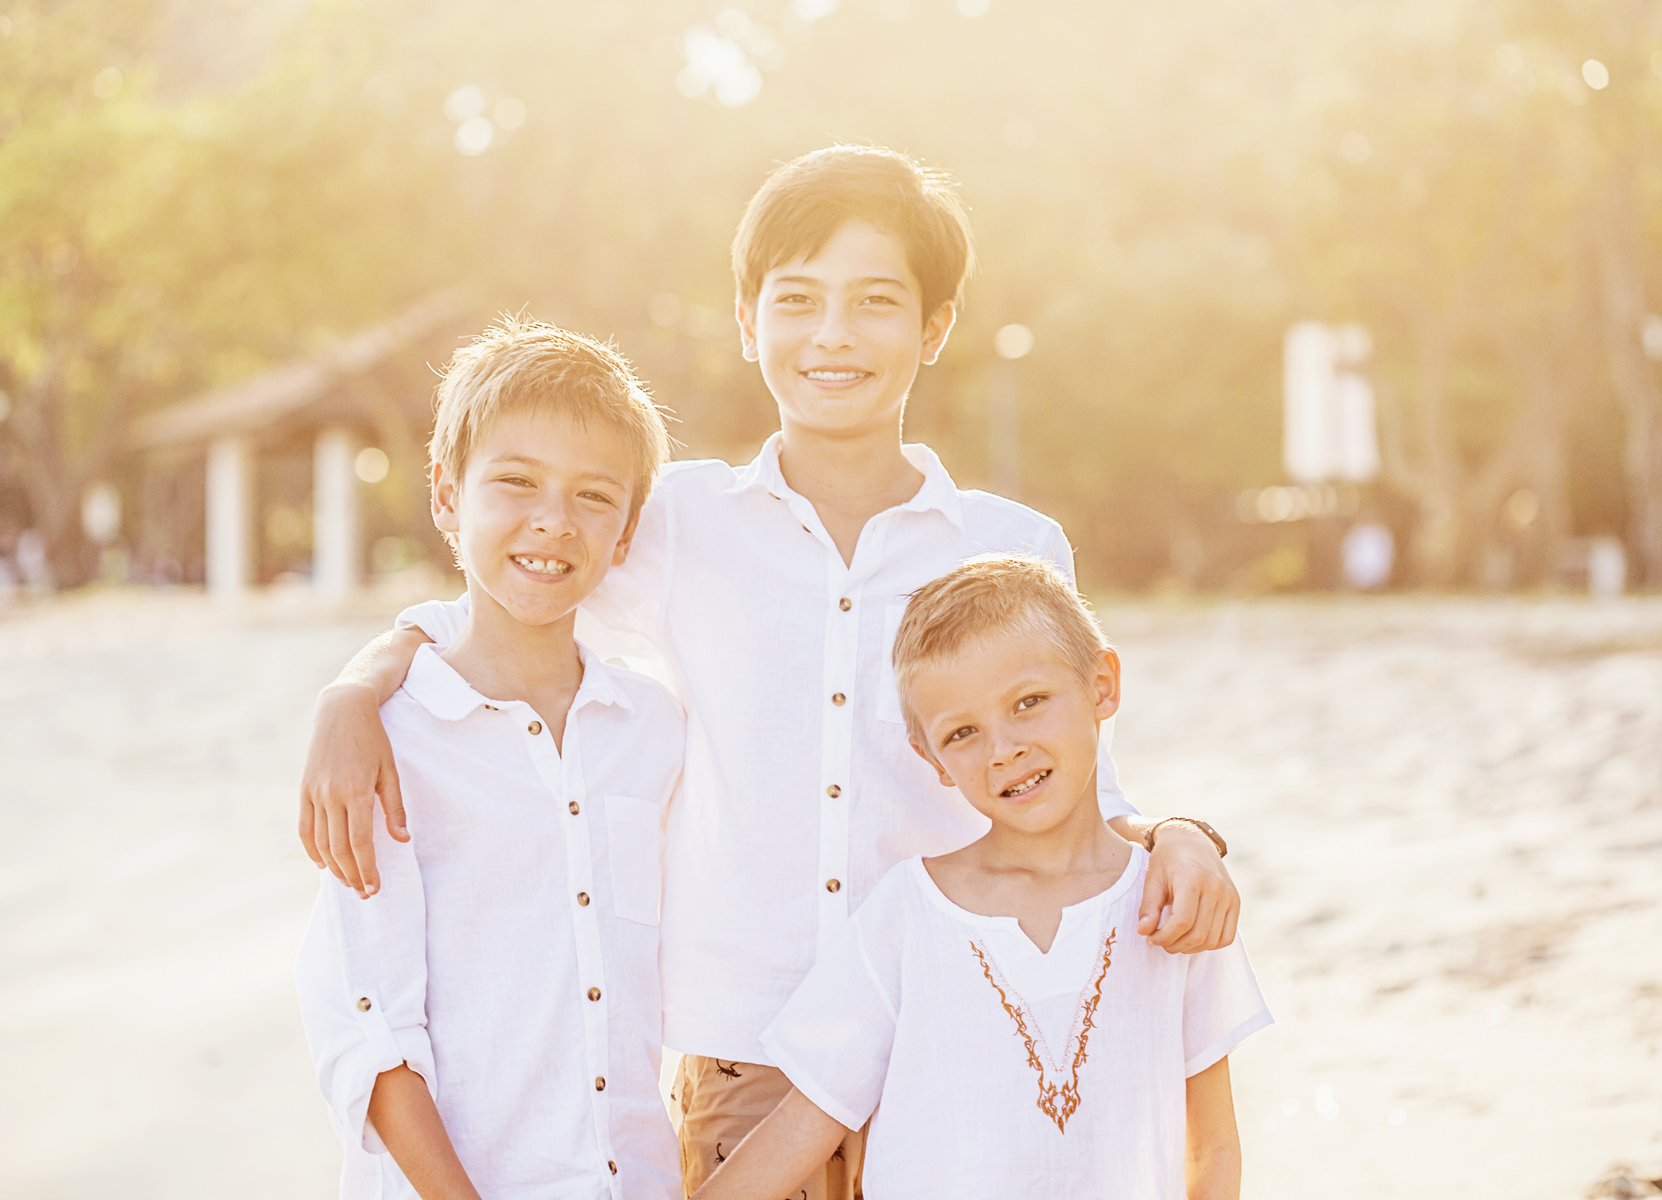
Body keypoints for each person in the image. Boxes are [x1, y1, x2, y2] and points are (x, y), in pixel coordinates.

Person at [300, 145, 1241, 1199]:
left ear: (934, 329)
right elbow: (518, 581)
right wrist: (360, 687)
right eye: (798, 300)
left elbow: (1072, 800)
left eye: (876, 302)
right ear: (747, 323)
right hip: (747, 1063)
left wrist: (1182, 835)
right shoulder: (673, 524)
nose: (834, 334)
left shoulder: (1012, 548)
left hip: (955, 1048)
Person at [694, 555, 1271, 1200]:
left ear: (1102, 685)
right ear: (931, 758)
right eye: (963, 732)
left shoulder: (1175, 902)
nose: (1004, 749)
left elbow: (1212, 1147)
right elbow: (801, 1128)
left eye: (1029, 703)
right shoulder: (908, 915)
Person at [294, 318, 683, 1199]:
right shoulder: (390, 739)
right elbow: (369, 1029)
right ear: (445, 497)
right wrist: (354, 693)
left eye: (594, 497)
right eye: (515, 482)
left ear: (626, 535)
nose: (553, 520)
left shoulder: (653, 728)